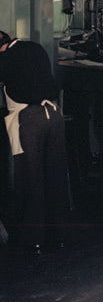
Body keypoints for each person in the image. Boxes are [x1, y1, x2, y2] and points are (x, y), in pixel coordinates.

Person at [0, 31, 70, 253]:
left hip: (28, 120)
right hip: (54, 115)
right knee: (55, 176)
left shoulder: (5, 59)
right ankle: (59, 236)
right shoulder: (35, 48)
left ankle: (33, 240)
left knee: (30, 179)